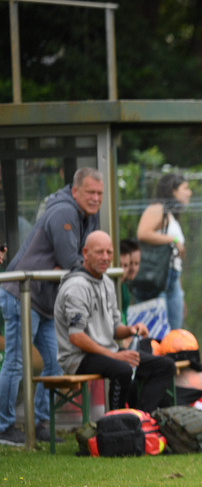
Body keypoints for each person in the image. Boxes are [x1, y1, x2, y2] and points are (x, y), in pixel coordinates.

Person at [0, 168, 102, 447]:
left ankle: (41, 423)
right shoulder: (63, 212)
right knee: (16, 361)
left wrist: (73, 265)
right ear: (75, 190)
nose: (95, 198)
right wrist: (72, 265)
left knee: (54, 362)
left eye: (99, 194)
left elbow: (84, 258)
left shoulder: (88, 216)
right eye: (90, 192)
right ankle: (3, 426)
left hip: (46, 300)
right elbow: (73, 260)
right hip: (22, 294)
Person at [54, 231, 176, 413]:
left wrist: (130, 330)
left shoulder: (107, 283)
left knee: (165, 366)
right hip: (78, 358)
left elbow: (114, 329)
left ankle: (141, 417)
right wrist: (114, 356)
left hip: (107, 352)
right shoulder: (76, 286)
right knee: (123, 369)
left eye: (109, 252)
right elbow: (76, 337)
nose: (105, 257)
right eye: (99, 252)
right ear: (85, 253)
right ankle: (115, 423)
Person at [137, 173, 190, 330]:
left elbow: (173, 259)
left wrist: (181, 293)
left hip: (173, 279)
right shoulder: (157, 208)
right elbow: (142, 233)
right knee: (157, 336)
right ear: (173, 191)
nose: (190, 193)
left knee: (175, 336)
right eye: (185, 188)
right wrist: (172, 240)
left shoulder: (171, 215)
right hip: (156, 280)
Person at [118, 238, 141, 324]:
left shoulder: (125, 289)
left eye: (137, 263)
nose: (133, 268)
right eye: (130, 263)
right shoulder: (120, 288)